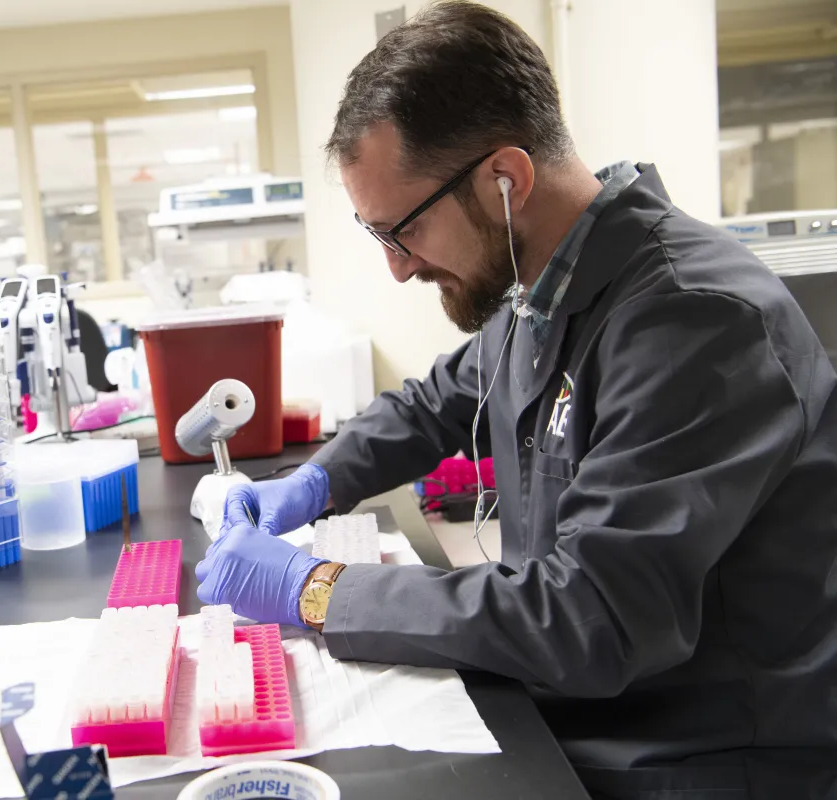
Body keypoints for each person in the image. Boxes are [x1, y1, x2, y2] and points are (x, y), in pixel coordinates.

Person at [193, 2, 837, 798]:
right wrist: (314, 482)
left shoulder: (696, 321)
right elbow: (433, 404)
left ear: (506, 179)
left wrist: (313, 587)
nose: (397, 269)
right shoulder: (543, 293)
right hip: (576, 715)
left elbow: (590, 615)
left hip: (691, 760)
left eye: (403, 232)